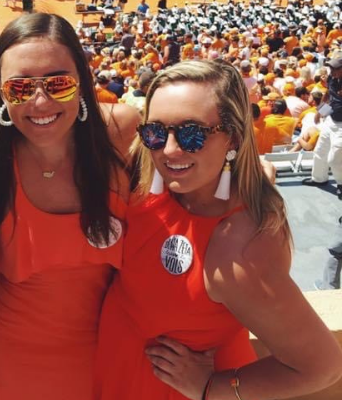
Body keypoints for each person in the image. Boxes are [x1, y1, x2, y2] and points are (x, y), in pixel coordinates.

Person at [95, 60, 342, 400]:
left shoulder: (239, 251)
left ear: (234, 137)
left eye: (192, 134)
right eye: (154, 132)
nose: (168, 150)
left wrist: (211, 388)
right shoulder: (159, 182)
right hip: (116, 378)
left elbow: (322, 366)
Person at [0, 13, 139, 400]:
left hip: (112, 344)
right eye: (20, 88)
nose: (40, 101)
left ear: (81, 80)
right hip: (15, 358)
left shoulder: (121, 132)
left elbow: (193, 158)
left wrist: (236, 172)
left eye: (58, 83)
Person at [303, 56, 342, 200]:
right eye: (331, 68)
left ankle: (341, 184)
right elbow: (329, 95)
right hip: (331, 120)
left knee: (335, 158)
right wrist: (321, 112)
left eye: (335, 68)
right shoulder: (332, 78)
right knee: (321, 150)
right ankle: (319, 178)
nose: (332, 71)